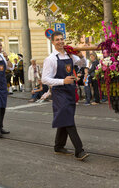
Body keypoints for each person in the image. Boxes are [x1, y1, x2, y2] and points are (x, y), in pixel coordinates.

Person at [42, 31, 89, 160]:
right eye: (57, 40)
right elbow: (45, 79)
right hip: (59, 93)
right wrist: (63, 81)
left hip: (70, 91)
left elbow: (83, 64)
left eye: (62, 39)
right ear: (52, 42)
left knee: (65, 117)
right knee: (68, 119)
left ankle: (58, 146)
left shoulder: (70, 56)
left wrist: (81, 56)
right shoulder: (50, 59)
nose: (60, 42)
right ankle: (79, 150)